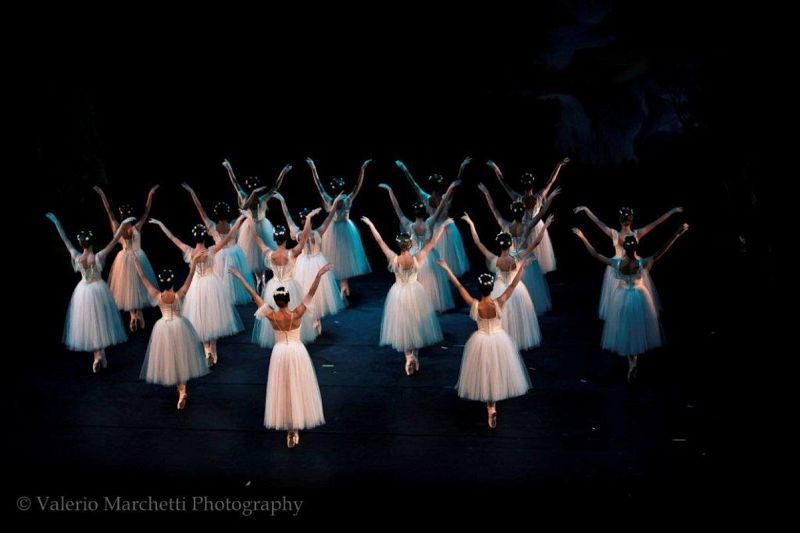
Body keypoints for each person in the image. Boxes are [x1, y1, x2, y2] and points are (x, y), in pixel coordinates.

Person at [230, 264, 332, 449]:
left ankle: (290, 431)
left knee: (284, 387)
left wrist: (239, 276)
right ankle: (295, 427)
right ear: (289, 299)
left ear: (276, 302)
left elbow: (254, 295)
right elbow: (311, 293)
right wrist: (318, 274)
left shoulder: (271, 315)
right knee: (297, 386)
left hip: (280, 353)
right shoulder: (297, 313)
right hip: (296, 351)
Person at [572, 223, 689, 382]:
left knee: (626, 328)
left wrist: (583, 237)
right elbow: (661, 250)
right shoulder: (642, 263)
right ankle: (634, 361)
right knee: (636, 327)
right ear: (635, 248)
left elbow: (595, 254)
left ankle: (631, 362)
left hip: (623, 297)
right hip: (640, 296)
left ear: (624, 248)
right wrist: (677, 234)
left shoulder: (618, 264)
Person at [438, 259, 532, 428]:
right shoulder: (499, 302)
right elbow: (511, 287)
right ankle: (493, 406)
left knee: (485, 372)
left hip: (481, 340)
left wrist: (447, 269)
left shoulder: (475, 305)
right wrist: (521, 269)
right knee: (496, 370)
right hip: (498, 340)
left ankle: (490, 408)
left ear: (479, 289)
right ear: (491, 288)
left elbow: (459, 287)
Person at [361, 216, 452, 375]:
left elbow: (380, 241)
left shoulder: (394, 259)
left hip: (399, 294)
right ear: (410, 245)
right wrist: (443, 226)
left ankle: (408, 357)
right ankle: (415, 356)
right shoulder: (417, 258)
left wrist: (371, 224)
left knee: (403, 324)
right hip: (415, 292)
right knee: (415, 323)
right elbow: (432, 243)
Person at [46, 213, 136, 372]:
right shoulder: (98, 256)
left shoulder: (77, 257)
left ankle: (97, 356)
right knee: (100, 321)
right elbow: (115, 240)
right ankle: (100, 354)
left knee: (91, 323)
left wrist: (56, 223)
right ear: (91, 243)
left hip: (84, 290)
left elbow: (65, 240)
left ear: (81, 244)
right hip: (98, 289)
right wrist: (123, 223)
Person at [150, 217, 245, 367]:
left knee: (200, 315)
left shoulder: (189, 252)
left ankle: (206, 349)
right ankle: (212, 349)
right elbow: (228, 237)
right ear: (204, 237)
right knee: (212, 316)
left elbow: (172, 238)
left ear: (194, 238)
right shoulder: (211, 250)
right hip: (212, 284)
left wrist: (161, 224)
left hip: (196, 285)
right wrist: (240, 218)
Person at [573, 205, 684, 319]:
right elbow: (656, 224)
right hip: (628, 266)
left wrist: (586, 211)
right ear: (631, 219)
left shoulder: (617, 234)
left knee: (620, 300)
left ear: (620, 219)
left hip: (620, 266)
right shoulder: (634, 234)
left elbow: (598, 223)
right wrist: (672, 213)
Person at [462, 212, 554, 350]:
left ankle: (503, 342)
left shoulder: (494, 259)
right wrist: (545, 225)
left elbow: (478, 242)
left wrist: (471, 224)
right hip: (515, 289)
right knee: (517, 315)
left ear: (499, 245)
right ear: (510, 244)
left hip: (499, 289)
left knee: (502, 317)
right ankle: (516, 340)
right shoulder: (517, 257)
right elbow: (536, 242)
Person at [133, 257, 209, 410]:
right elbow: (190, 276)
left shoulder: (157, 296)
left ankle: (180, 390)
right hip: (180, 326)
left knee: (172, 359)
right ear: (173, 282)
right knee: (182, 358)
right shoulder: (178, 295)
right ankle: (183, 390)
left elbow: (143, 278)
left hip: (164, 327)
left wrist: (136, 262)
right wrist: (193, 263)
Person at [93, 184, 160, 331]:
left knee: (127, 286)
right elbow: (146, 212)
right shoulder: (136, 227)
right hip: (138, 256)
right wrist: (150, 194)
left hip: (123, 258)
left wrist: (102, 195)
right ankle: (139, 313)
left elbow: (109, 212)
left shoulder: (117, 227)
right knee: (140, 283)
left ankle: (132, 316)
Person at [273, 192, 345, 327]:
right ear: (311, 220)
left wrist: (283, 201)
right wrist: (335, 203)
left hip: (305, 264)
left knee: (309, 291)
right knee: (314, 291)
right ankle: (315, 319)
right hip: (316, 263)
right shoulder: (317, 232)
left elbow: (288, 217)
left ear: (303, 220)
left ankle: (314, 319)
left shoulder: (299, 234)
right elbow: (330, 216)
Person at [487, 157, 570, 273]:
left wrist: (496, 169)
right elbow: (550, 181)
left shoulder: (519, 198)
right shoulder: (539, 196)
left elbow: (504, 183)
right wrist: (558, 165)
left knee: (524, 257)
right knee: (532, 257)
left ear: (523, 186)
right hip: (534, 226)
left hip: (523, 228)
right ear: (532, 185)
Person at [307, 157, 373, 299]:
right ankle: (343, 286)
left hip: (337, 230)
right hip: (341, 230)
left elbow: (319, 185)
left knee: (339, 258)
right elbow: (357, 186)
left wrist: (313, 168)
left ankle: (342, 286)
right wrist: (362, 169)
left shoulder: (333, 200)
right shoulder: (346, 199)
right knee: (342, 258)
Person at [395, 157, 471, 276]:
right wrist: (461, 168)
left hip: (439, 229)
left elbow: (413, 183)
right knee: (444, 254)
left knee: (443, 254)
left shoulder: (431, 197)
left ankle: (443, 274)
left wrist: (405, 169)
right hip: (442, 228)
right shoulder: (442, 196)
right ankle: (444, 274)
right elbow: (455, 184)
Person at [181, 182, 252, 305]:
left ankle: (222, 299)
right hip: (235, 253)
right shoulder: (233, 223)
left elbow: (200, 208)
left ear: (216, 214)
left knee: (220, 278)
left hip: (219, 254)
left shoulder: (212, 226)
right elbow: (245, 208)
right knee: (234, 278)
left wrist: (192, 192)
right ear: (227, 213)